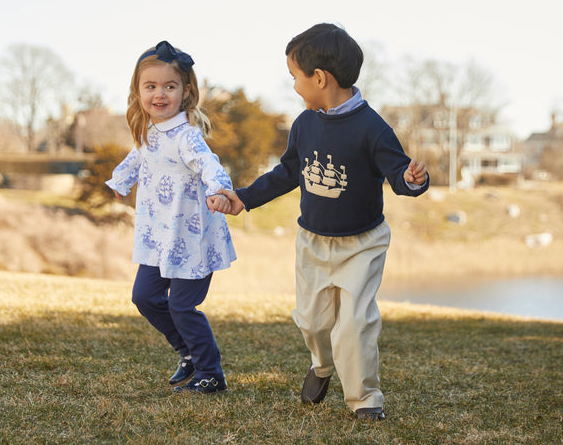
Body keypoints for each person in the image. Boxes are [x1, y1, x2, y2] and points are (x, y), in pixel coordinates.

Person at [220, 23, 429, 420]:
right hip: (313, 242)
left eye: (295, 78)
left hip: (362, 245)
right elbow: (286, 174)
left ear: (319, 78)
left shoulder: (373, 128)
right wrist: (243, 199)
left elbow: (400, 175)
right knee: (313, 322)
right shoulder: (305, 125)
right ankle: (321, 364)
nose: (294, 87)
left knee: (354, 322)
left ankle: (365, 399)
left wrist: (412, 179)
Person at [107, 40, 235, 395]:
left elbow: (209, 164)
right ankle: (189, 353)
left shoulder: (187, 136)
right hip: (158, 237)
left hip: (191, 236)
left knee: (181, 305)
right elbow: (136, 159)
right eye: (151, 86)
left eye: (169, 86)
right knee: (144, 297)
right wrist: (121, 180)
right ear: (138, 91)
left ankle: (211, 373)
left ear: (185, 91)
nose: (159, 94)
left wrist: (219, 190)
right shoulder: (148, 133)